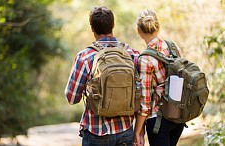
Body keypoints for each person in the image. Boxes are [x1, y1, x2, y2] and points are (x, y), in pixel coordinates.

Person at [64, 6, 139, 146]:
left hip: (96, 132)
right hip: (125, 130)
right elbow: (140, 93)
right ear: (113, 25)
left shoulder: (84, 57)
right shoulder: (132, 54)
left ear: (92, 28)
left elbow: (72, 98)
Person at [133, 9, 185, 146]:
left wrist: (137, 131)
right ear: (158, 27)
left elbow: (145, 101)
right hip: (178, 116)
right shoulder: (172, 46)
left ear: (138, 31)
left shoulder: (145, 59)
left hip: (158, 120)